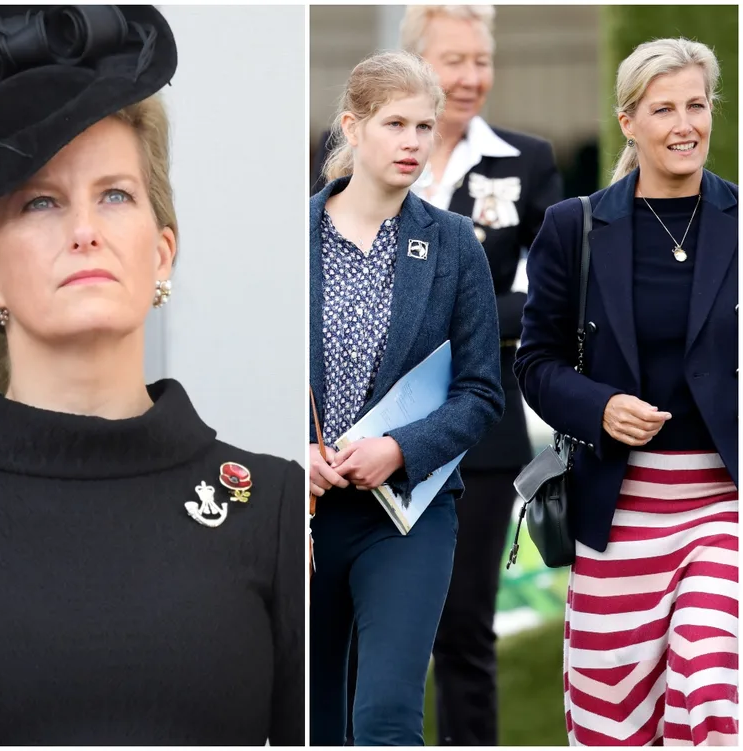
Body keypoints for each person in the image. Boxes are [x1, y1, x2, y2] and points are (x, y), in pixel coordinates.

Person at [0, 6, 304, 745]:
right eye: (41, 200)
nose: (85, 228)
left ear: (161, 252)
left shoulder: (273, 508)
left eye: (115, 194)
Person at [313, 7, 563, 745]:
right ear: (353, 127)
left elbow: (504, 355)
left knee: (416, 685)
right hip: (315, 499)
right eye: (396, 125)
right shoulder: (303, 234)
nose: (414, 142)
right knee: (327, 704)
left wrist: (401, 445)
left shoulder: (460, 229)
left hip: (434, 481)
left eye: (423, 128)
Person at [515, 37, 737, 746]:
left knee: (711, 677)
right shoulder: (573, 227)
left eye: (696, 106)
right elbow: (537, 360)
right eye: (663, 108)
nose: (684, 124)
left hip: (722, 506)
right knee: (613, 718)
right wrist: (599, 406)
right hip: (616, 512)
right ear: (628, 121)